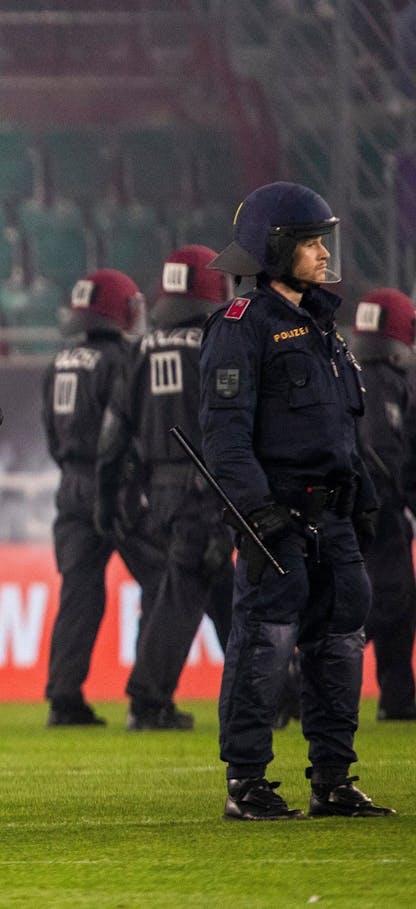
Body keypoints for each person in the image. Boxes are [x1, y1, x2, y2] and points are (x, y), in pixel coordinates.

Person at [200, 180, 394, 820]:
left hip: (335, 516)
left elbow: (343, 423)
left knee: (341, 643)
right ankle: (247, 783)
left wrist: (363, 495)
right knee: (265, 641)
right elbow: (224, 436)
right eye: (310, 241)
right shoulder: (239, 327)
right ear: (276, 248)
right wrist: (257, 514)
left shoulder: (323, 325)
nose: (322, 253)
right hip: (278, 518)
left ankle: (333, 779)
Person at [96, 246, 235, 731]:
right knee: (185, 592)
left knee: (221, 592)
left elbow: (115, 433)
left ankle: (278, 690)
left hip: (159, 493)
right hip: (209, 488)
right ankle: (148, 700)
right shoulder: (219, 345)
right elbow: (231, 427)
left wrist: (108, 495)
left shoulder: (140, 347)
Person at [41, 268, 163, 727]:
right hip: (117, 485)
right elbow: (129, 429)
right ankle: (148, 697)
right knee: (163, 580)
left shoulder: (59, 361)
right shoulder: (124, 360)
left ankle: (63, 698)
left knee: (79, 593)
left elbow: (52, 436)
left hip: (70, 485)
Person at [348, 287, 416, 722]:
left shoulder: (348, 374)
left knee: (396, 597)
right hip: (382, 506)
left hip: (351, 504)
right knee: (391, 598)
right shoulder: (391, 383)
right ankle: (307, 668)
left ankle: (398, 694)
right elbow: (393, 453)